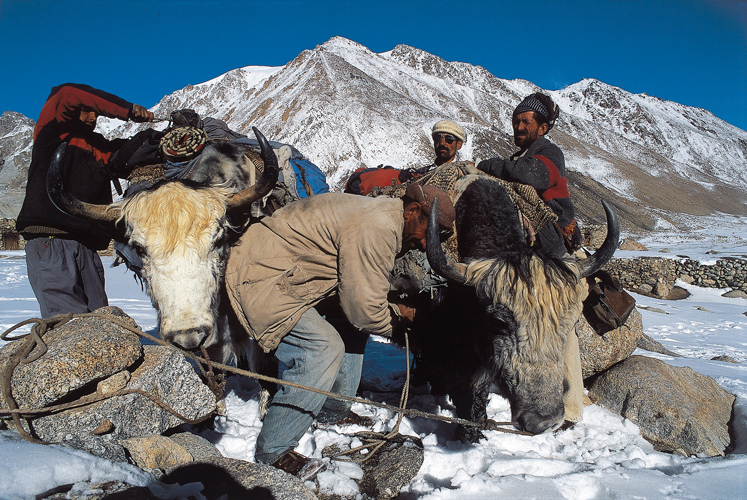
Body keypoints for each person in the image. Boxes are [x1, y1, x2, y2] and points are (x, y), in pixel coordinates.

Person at [224, 184, 455, 478]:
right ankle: (273, 452)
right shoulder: (379, 227)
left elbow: (360, 302)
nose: (425, 245)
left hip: (288, 275)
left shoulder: (385, 219)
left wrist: (394, 311)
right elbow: (365, 309)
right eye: (428, 234)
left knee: (349, 324)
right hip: (259, 276)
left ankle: (332, 409)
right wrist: (402, 325)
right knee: (321, 347)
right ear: (412, 211)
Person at [16, 83, 153, 318]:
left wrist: (165, 139)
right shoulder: (51, 133)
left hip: (87, 247)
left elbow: (132, 152)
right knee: (67, 322)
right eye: (87, 110)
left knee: (101, 319)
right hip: (51, 242)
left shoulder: (100, 148)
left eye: (96, 113)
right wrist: (129, 110)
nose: (92, 117)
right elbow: (66, 93)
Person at [476, 93, 580, 258]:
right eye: (516, 122)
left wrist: (483, 165)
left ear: (542, 128)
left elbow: (529, 174)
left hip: (551, 235)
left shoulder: (551, 153)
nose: (518, 127)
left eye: (526, 122)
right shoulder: (520, 157)